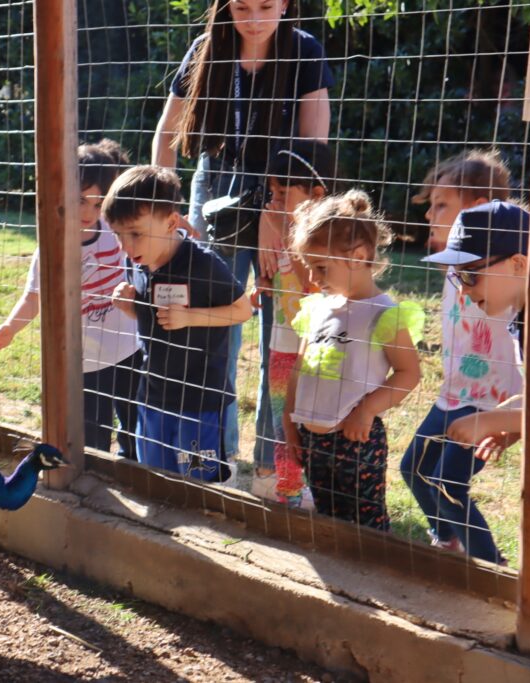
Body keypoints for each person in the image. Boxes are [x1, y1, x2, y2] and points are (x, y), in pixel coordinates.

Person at [152, 0, 334, 494]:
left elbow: (312, 149)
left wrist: (281, 214)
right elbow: (167, 132)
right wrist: (170, 205)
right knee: (216, 328)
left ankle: (273, 467)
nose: (254, 18)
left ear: (286, 5)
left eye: (266, 6)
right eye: (243, 7)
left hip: (286, 195)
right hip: (216, 191)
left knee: (282, 337)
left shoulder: (305, 51)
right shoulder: (204, 49)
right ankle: (218, 458)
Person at [398, 152, 522, 562]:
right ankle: (447, 542)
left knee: (448, 483)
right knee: (414, 470)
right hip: (454, 395)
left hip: (490, 400)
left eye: (441, 205)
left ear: (478, 206)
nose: (431, 215)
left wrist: (503, 419)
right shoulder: (468, 271)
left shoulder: (504, 277)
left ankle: (491, 567)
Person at [0, 139, 142, 458]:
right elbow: (34, 297)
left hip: (129, 350)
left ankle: (136, 479)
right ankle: (97, 486)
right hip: (85, 361)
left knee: (136, 428)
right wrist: (10, 327)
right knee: (93, 436)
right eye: (81, 200)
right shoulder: (52, 246)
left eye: (98, 203)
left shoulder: (118, 231)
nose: (89, 211)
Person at [283, 190, 423, 530]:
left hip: (355, 439)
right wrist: (290, 422)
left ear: (358, 256)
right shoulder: (317, 308)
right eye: (308, 267)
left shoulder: (384, 313)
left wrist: (366, 411)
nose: (313, 278)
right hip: (311, 437)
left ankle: (375, 580)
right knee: (328, 515)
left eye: (320, 267)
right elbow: (300, 368)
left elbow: (409, 373)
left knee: (366, 522)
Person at [106, 165, 252, 481]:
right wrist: (130, 307)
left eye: (135, 233)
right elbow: (156, 321)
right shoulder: (140, 264)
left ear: (172, 222)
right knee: (155, 478)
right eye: (118, 235)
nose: (126, 247)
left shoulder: (203, 264)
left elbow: (242, 311)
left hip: (198, 402)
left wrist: (191, 317)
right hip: (152, 397)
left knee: (198, 483)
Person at [251, 141, 334, 506]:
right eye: (272, 192)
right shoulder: (282, 230)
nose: (275, 200)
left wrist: (285, 229)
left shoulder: (321, 241)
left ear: (316, 194)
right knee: (280, 425)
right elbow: (281, 280)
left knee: (309, 426)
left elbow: (312, 285)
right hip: (280, 346)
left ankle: (321, 492)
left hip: (314, 355)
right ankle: (287, 493)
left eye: (284, 192)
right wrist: (264, 284)